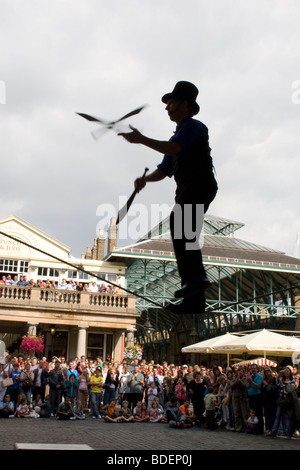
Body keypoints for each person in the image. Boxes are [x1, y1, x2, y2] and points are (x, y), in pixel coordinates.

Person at [119, 81, 218, 314]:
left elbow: (173, 149)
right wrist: (146, 180)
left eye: (170, 102)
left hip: (199, 185)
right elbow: (164, 169)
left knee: (181, 225)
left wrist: (142, 139)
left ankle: (195, 280)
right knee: (184, 229)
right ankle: (195, 297)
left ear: (184, 104)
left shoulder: (194, 127)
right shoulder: (180, 133)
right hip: (189, 189)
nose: (167, 108)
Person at [246, 364, 264, 434]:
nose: (253, 370)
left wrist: (251, 382)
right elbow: (247, 387)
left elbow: (258, 386)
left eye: (254, 368)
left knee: (258, 412)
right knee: (252, 413)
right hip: (251, 395)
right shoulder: (250, 377)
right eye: (252, 368)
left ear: (257, 369)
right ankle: (254, 428)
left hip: (257, 395)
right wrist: (248, 381)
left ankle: (260, 429)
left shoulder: (259, 376)